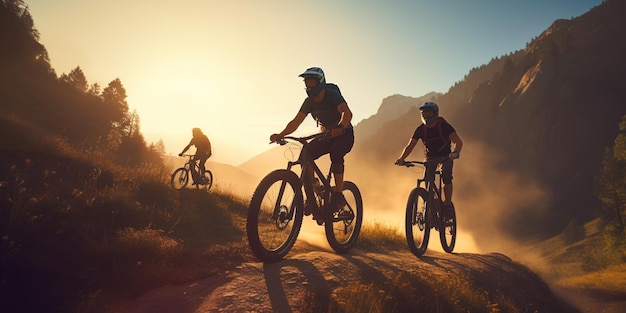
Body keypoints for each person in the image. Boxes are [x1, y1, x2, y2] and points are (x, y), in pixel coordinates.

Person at [270, 67, 354, 211]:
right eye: (306, 83)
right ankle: (314, 190)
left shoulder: (332, 95)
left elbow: (347, 113)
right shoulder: (309, 102)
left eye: (311, 82)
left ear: (320, 82)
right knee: (305, 154)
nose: (309, 86)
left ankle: (338, 195)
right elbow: (295, 122)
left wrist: (340, 126)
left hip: (344, 134)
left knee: (336, 152)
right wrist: (281, 134)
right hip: (326, 135)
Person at [395, 101, 463, 212]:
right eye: (424, 114)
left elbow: (459, 142)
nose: (426, 116)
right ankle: (431, 205)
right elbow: (410, 146)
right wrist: (401, 158)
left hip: (446, 156)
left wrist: (455, 153)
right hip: (430, 158)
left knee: (446, 176)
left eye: (429, 114)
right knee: (427, 180)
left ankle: (447, 204)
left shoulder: (444, 126)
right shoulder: (421, 129)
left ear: (435, 113)